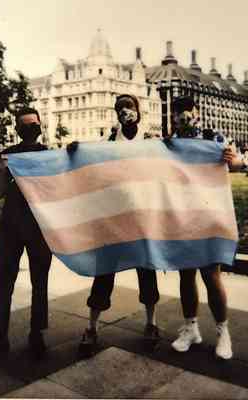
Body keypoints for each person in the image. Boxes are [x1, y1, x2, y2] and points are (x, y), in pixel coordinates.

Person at [67, 94, 160, 357]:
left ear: (138, 111)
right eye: (119, 108)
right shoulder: (108, 142)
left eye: (128, 107)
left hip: (141, 221)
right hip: (114, 222)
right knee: (103, 275)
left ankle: (151, 324)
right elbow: (91, 161)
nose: (124, 112)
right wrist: (77, 151)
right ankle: (92, 327)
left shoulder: (151, 142)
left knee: (147, 274)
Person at [167, 96, 242, 360]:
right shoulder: (169, 143)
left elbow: (239, 163)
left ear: (196, 112)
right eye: (177, 112)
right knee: (186, 276)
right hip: (182, 216)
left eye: (186, 111)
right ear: (173, 116)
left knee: (211, 276)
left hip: (209, 215)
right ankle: (191, 329)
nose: (182, 116)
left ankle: (223, 334)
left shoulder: (213, 136)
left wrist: (232, 159)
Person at [0, 107, 53, 361]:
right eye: (24, 125)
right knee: (4, 283)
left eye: (33, 124)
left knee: (39, 283)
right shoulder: (7, 155)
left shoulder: (49, 155)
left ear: (40, 125)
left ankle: (37, 334)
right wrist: (2, 170)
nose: (29, 129)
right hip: (11, 226)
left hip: (39, 226)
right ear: (18, 129)